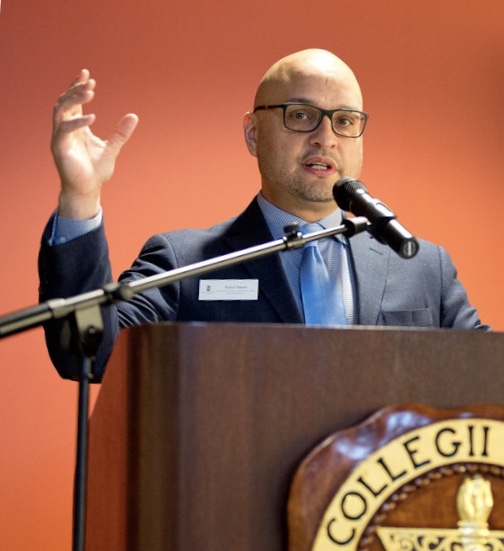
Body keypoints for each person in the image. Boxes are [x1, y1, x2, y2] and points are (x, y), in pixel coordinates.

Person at [39, 49, 489, 381]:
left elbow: (488, 373)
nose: (326, 138)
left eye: (345, 121)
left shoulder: (423, 267)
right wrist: (80, 197)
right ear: (253, 134)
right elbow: (88, 353)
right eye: (301, 115)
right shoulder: (184, 262)